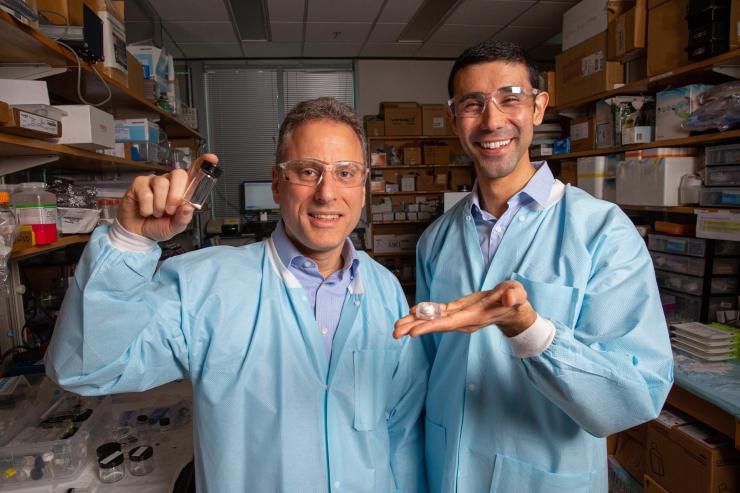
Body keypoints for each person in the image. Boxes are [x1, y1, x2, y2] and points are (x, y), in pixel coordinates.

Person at [46, 97, 429, 493]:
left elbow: (400, 427)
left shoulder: (384, 288)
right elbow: (84, 368)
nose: (327, 193)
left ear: (363, 188)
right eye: (307, 171)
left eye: (345, 173)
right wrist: (128, 242)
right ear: (277, 184)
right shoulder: (208, 284)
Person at [394, 41, 673, 493]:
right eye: (472, 104)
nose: (492, 121)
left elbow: (633, 398)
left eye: (510, 98)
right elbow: (427, 376)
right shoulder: (436, 240)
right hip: (447, 473)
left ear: (538, 107)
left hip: (545, 479)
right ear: (453, 120)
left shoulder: (602, 232)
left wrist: (530, 330)